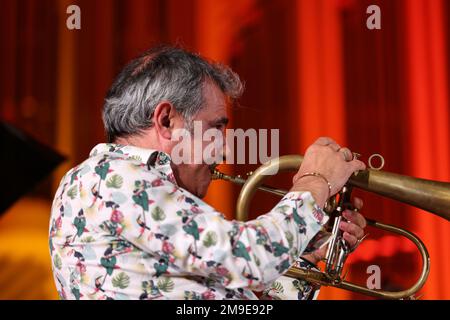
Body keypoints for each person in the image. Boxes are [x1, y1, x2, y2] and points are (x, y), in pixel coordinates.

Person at [49, 46, 367, 300]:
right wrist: (315, 182)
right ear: (166, 121)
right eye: (215, 128)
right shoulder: (106, 178)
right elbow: (249, 258)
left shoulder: (134, 190)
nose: (225, 151)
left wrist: (308, 255)